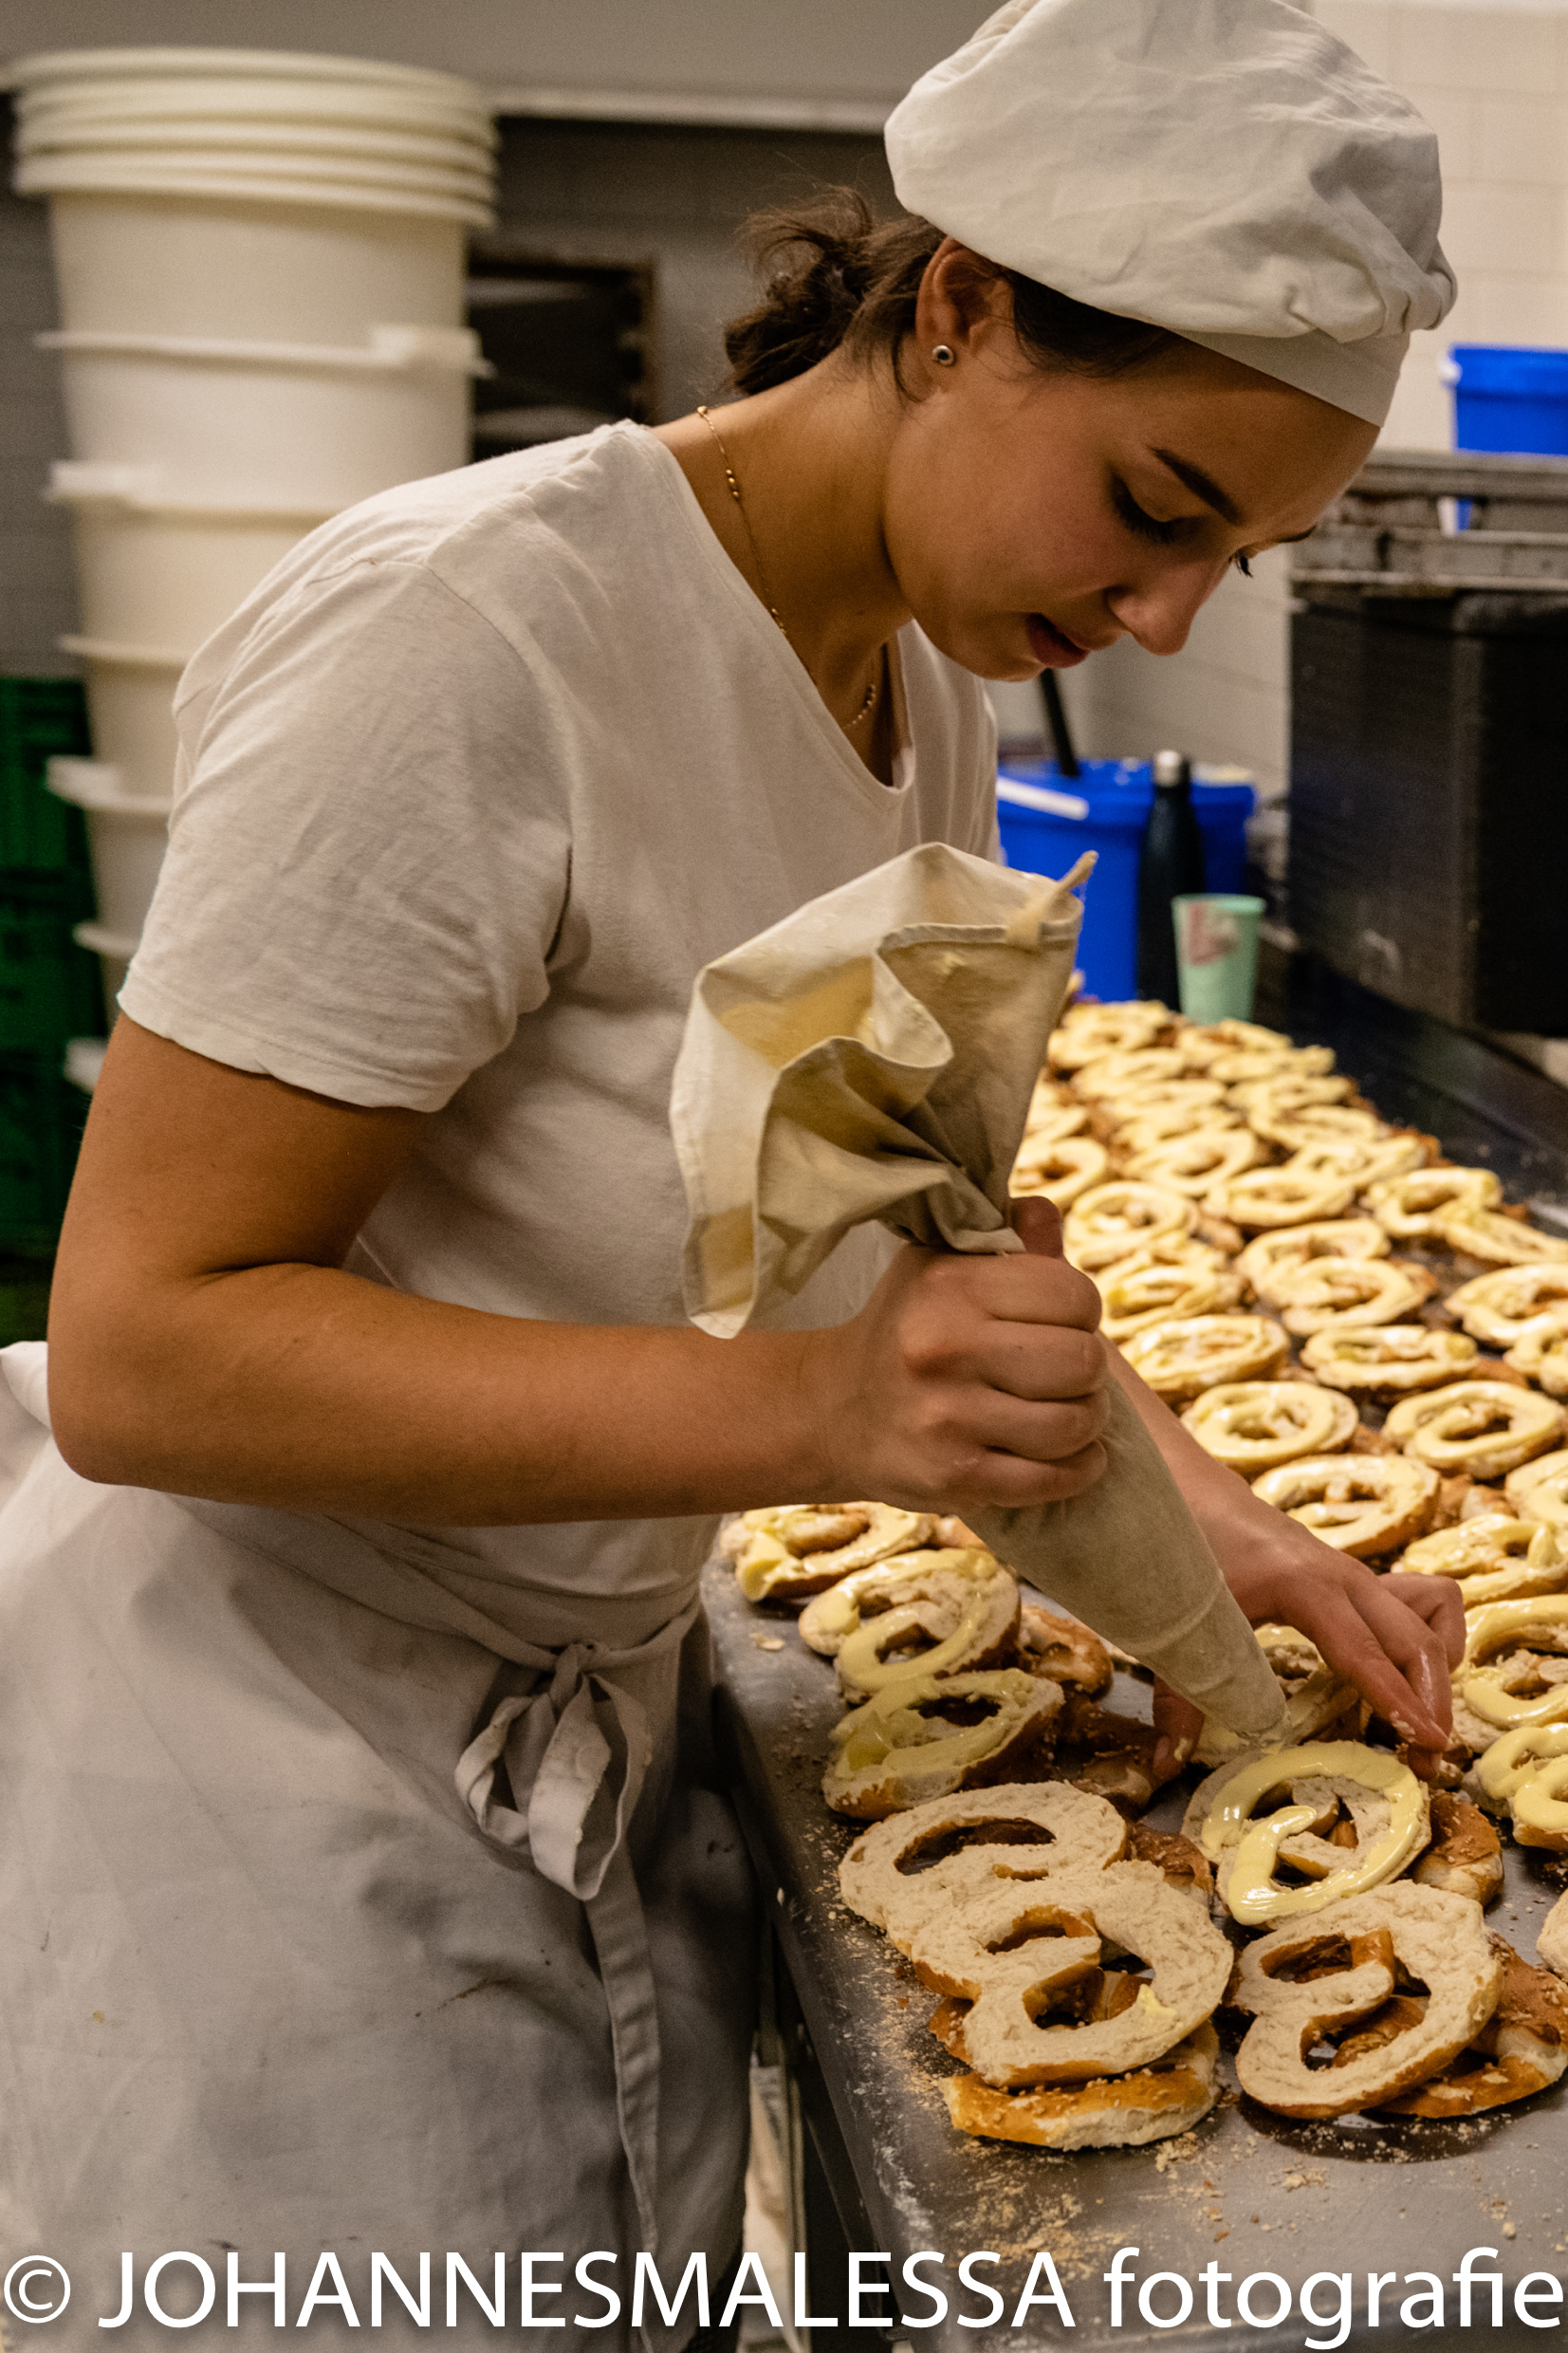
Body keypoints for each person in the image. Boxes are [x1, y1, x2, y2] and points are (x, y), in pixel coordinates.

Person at [0, 0, 1460, 2342]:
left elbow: (898, 1228)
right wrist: (822, 1416)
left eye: (1239, 558)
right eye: (1153, 508)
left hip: (597, 1691)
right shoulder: (474, 633)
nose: (1165, 615)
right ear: (956, 304)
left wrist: (1204, 1528)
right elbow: (141, 1352)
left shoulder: (918, 690)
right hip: (278, 1769)